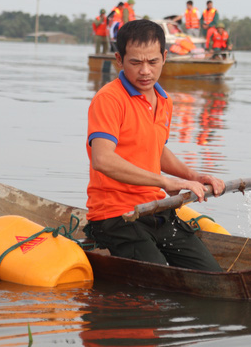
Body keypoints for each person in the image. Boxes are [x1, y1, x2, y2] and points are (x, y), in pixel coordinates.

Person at [85, 19, 224, 272]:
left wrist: (194, 176)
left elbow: (155, 149)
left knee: (211, 272)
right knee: (160, 277)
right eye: (135, 62)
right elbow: (102, 159)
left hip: (156, 210)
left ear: (165, 57)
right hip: (115, 216)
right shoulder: (109, 99)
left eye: (152, 62)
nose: (145, 71)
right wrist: (166, 182)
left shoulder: (164, 99)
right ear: (119, 59)